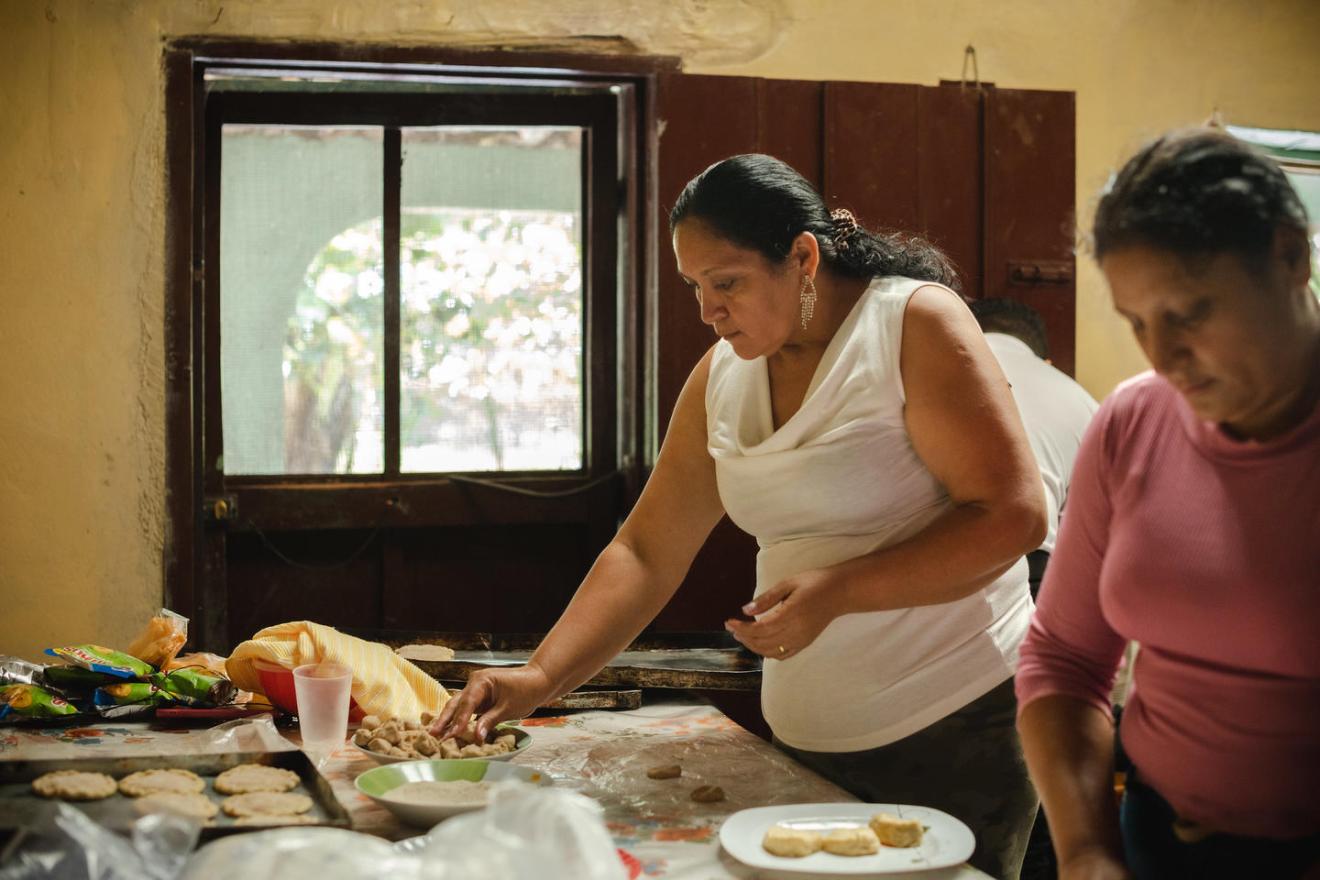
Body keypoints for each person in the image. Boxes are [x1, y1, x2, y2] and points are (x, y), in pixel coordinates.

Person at [434, 154, 1048, 877]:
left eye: (726, 283)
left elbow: (1012, 516)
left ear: (802, 257)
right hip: (806, 741)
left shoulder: (910, 325)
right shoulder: (723, 373)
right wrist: (538, 679)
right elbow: (646, 550)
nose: (707, 310)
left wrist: (839, 591)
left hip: (955, 727)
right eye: (694, 286)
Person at [1015, 128, 1320, 880]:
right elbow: (1065, 657)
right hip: (1153, 839)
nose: (1162, 357)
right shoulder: (1134, 420)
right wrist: (1087, 850)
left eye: (1188, 313)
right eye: (1138, 324)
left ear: (1291, 255)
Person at [968, 297, 1099, 597]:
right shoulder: (1083, 401)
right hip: (1035, 568)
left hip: (928, 557)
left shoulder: (930, 373)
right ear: (1047, 361)